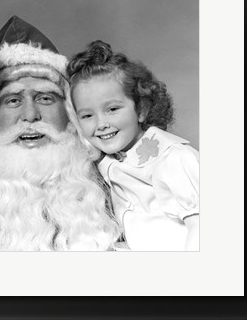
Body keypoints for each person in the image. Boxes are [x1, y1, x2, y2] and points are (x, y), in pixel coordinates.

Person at [0, 16, 119, 251]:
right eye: (13, 100)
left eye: (45, 98)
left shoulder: (112, 178)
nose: (30, 115)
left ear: (69, 112)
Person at [67, 40, 199, 251]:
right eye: (87, 115)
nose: (101, 124)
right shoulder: (105, 163)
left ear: (142, 110)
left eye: (112, 109)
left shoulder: (173, 159)